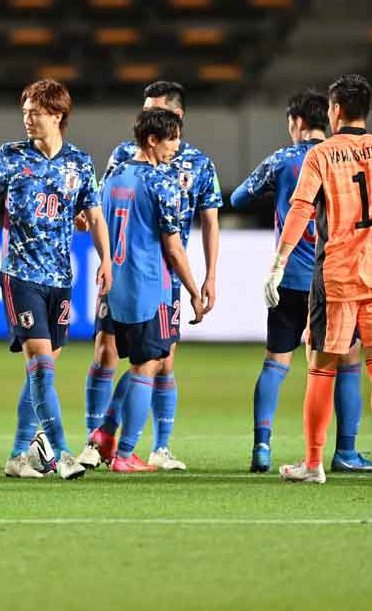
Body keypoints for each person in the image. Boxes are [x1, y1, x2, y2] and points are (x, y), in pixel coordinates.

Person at [0, 78, 112, 480]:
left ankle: (19, 455)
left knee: (41, 372)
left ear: (57, 115)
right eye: (25, 112)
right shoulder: (11, 155)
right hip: (20, 274)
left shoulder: (80, 163)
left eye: (35, 112)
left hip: (61, 278)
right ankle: (62, 452)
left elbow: (94, 215)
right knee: (40, 366)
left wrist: (106, 261)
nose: (27, 119)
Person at [264, 73, 372, 486]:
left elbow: (301, 209)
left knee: (321, 367)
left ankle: (313, 463)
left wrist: (279, 263)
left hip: (337, 274)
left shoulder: (321, 154)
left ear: (336, 110)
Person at [80, 81, 220, 471]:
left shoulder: (115, 175)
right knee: (150, 363)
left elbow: (95, 220)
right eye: (169, 138)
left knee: (146, 360)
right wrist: (194, 290)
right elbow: (173, 247)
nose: (175, 145)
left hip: (117, 279)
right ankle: (122, 452)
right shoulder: (161, 181)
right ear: (153, 137)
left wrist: (106, 261)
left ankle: (106, 434)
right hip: (153, 283)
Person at [231, 90, 372, 474]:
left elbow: (239, 198)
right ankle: (345, 451)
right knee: (347, 360)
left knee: (276, 361)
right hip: (335, 278)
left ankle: (262, 447)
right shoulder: (344, 158)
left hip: (290, 276)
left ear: (296, 122)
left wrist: (276, 192)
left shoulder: (283, 160)